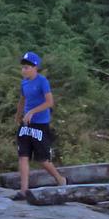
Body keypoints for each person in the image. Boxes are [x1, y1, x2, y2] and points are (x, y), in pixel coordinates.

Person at [16, 51, 67, 196]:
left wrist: (32, 112)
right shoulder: (24, 82)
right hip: (26, 124)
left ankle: (60, 179)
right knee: (23, 155)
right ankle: (24, 189)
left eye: (27, 67)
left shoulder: (42, 81)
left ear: (35, 67)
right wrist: (18, 115)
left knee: (42, 159)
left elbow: (49, 102)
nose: (24, 70)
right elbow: (22, 99)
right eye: (23, 67)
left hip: (40, 124)